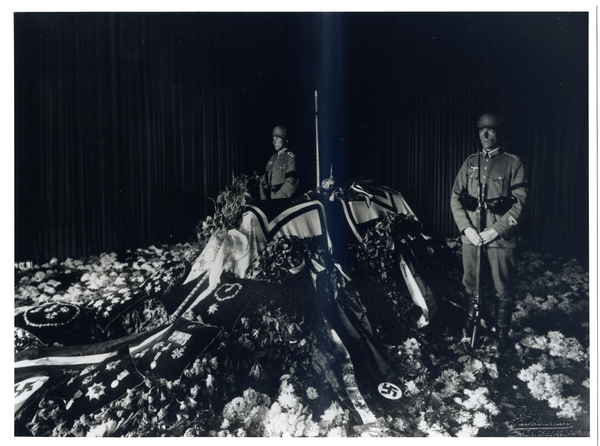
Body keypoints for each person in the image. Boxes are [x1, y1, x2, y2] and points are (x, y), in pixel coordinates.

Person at [450, 113, 530, 351]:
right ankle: (472, 325)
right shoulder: (470, 162)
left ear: (501, 134)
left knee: (502, 285)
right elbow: (455, 197)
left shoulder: (513, 163)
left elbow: (522, 203)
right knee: (470, 282)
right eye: (481, 130)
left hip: (500, 238)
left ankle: (502, 332)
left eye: (491, 130)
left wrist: (497, 230)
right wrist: (466, 228)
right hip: (472, 237)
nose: (485, 135)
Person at [260, 126, 299, 200]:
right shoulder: (271, 160)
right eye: (273, 138)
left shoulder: (290, 158)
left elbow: (291, 183)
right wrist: (264, 199)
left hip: (283, 202)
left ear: (285, 140)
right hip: (269, 202)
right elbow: (263, 183)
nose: (274, 142)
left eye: (277, 138)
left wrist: (276, 199)